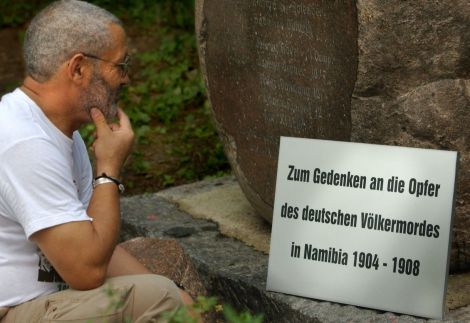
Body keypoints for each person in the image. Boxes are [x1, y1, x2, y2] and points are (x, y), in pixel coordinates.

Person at [0, 1, 194, 322]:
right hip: (13, 312)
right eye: (120, 65)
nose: (126, 78)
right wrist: (108, 171)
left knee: (168, 293)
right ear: (78, 69)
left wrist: (180, 297)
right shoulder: (24, 141)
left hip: (44, 302)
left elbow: (91, 236)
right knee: (160, 298)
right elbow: (86, 272)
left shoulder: (61, 133)